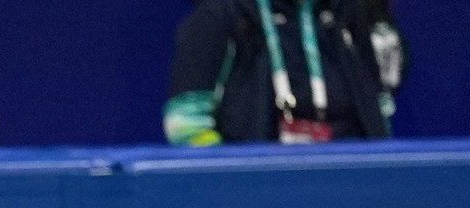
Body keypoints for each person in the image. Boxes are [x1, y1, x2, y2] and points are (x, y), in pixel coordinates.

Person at [164, 0, 404, 147]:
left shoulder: (351, 12)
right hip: (259, 190)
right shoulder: (220, 15)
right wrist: (230, 183)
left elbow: (379, 106)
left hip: (351, 183)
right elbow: (186, 126)